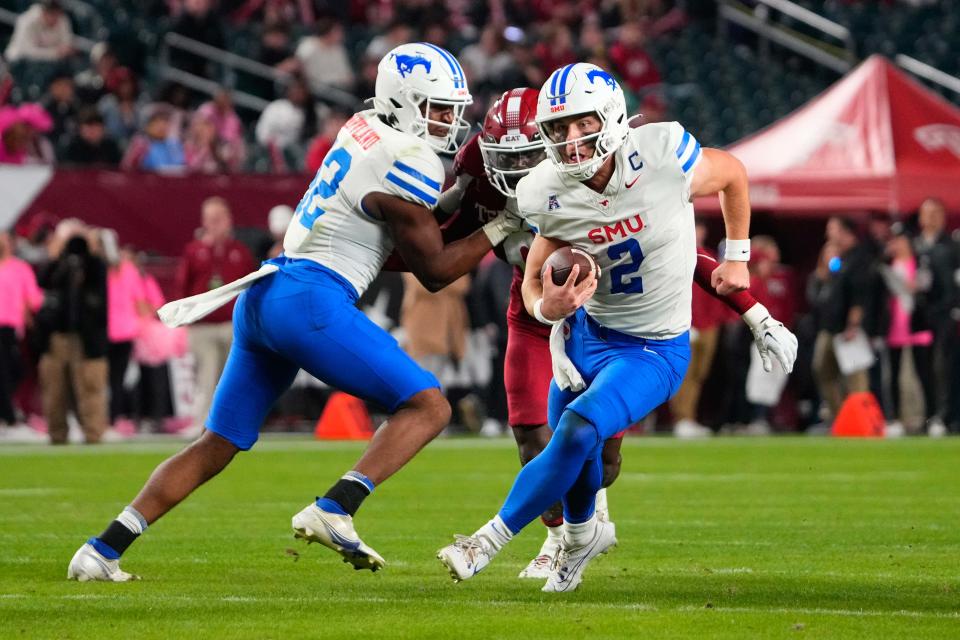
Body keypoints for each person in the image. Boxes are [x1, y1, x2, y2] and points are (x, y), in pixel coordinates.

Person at [67, 42, 520, 583]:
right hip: (309, 299)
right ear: (403, 102)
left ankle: (102, 549)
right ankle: (335, 508)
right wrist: (504, 223)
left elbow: (396, 243)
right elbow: (436, 269)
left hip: (267, 291)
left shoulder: (363, 128)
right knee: (429, 406)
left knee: (218, 443)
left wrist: (457, 203)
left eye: (452, 108)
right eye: (438, 108)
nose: (450, 121)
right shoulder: (411, 156)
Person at [437, 66, 790, 592]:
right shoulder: (543, 189)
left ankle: (486, 540)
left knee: (580, 428)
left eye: (581, 125)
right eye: (557, 130)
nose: (570, 142)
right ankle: (583, 538)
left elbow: (734, 173)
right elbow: (535, 277)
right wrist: (545, 306)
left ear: (612, 118)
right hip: (586, 337)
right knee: (574, 456)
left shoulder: (663, 154)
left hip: (653, 348)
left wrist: (738, 259)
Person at [174, 197, 254, 436]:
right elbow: (182, 287)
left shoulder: (239, 252)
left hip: (232, 324)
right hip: (203, 326)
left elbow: (250, 288)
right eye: (210, 220)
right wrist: (183, 319)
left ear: (228, 221)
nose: (214, 225)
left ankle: (235, 423)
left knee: (234, 375)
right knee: (206, 375)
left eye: (218, 219)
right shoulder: (194, 252)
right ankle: (202, 423)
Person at [0, 230, 44, 428]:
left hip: (10, 327)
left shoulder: (20, 268)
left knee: (14, 370)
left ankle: (6, 411)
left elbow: (34, 298)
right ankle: (8, 417)